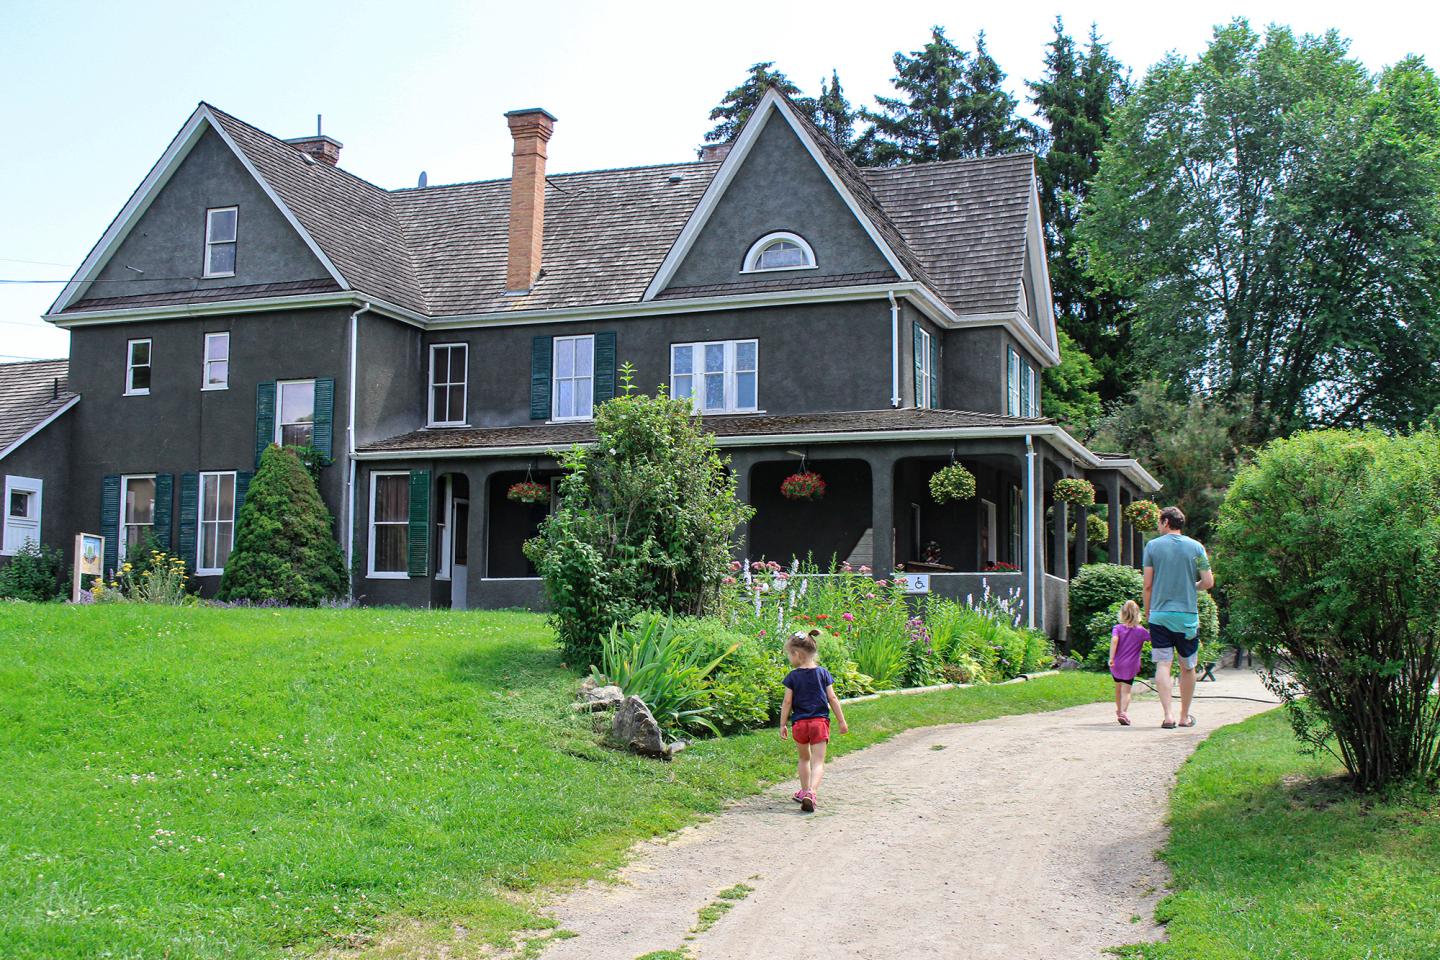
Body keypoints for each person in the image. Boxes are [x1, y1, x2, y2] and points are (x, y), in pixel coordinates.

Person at [1142, 506, 1214, 729]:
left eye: (1159, 521)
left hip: (1159, 615)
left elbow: (1147, 585)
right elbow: (1208, 582)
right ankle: (1184, 716)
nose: (1157, 525)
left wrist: (1148, 611)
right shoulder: (1197, 547)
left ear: (1165, 521)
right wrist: (1193, 586)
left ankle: (1168, 716)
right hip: (1186, 616)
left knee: (1163, 664)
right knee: (1188, 666)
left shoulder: (1152, 546)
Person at [779, 629, 849, 812]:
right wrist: (842, 721)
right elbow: (832, 698)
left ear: (797, 654)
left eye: (789, 655)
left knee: (804, 759)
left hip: (800, 724)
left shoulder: (792, 677)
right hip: (819, 723)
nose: (789, 658)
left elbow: (787, 702)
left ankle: (804, 791)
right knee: (818, 762)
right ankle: (812, 792)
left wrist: (782, 724)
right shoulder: (823, 673)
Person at [1108, 600, 1148, 726]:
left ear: (1122, 614)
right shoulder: (1141, 631)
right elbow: (1153, 639)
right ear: (1138, 614)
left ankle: (1119, 710)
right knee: (1126, 691)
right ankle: (1124, 713)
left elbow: (1114, 640)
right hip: (1131, 665)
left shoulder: (1117, 628)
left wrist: (1111, 657)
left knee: (1118, 688)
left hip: (1117, 663)